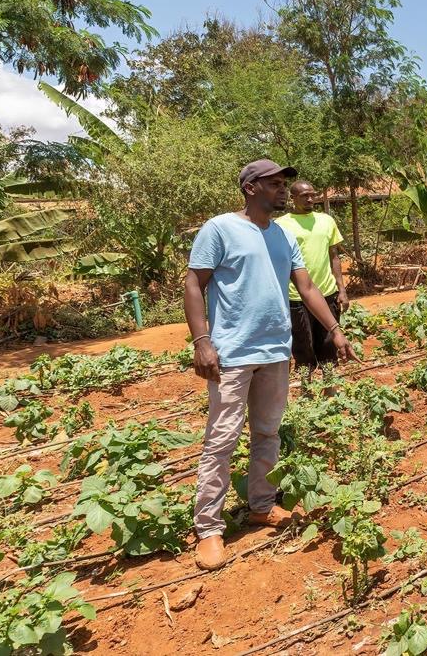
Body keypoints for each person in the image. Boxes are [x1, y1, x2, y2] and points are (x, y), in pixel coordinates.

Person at [184, 159, 354, 571]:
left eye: (283, 184)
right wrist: (202, 341)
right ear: (250, 188)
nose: (282, 190)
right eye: (274, 184)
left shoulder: (282, 235)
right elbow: (193, 284)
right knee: (222, 439)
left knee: (267, 433)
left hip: (276, 351)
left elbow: (307, 287)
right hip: (232, 354)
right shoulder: (219, 229)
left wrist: (335, 329)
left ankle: (261, 505)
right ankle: (208, 528)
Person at [275, 180, 349, 381]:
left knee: (328, 344)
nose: (310, 199)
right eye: (304, 196)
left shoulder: (326, 221)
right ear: (292, 198)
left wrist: (341, 289)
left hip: (327, 293)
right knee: (302, 346)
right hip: (296, 297)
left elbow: (334, 256)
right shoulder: (280, 225)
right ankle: (306, 388)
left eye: (312, 195)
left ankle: (330, 387)